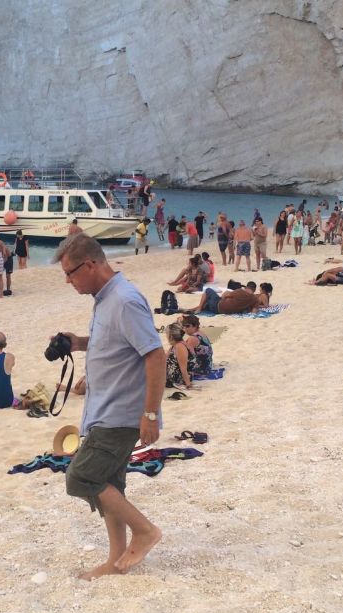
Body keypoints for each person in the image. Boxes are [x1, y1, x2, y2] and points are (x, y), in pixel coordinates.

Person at [54, 233, 165, 580]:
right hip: (103, 409)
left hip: (120, 413)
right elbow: (117, 344)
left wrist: (149, 414)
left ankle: (144, 531)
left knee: (81, 476)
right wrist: (78, 343)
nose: (68, 281)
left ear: (90, 264)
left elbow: (155, 354)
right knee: (109, 483)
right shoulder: (105, 298)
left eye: (70, 273)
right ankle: (116, 558)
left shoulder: (124, 299)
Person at [183, 281, 271, 315]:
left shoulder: (239, 291)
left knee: (208, 291)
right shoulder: (255, 299)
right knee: (207, 304)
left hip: (218, 305)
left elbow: (224, 295)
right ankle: (190, 309)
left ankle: (198, 308)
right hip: (223, 311)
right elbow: (254, 312)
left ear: (247, 287)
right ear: (254, 289)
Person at [164, 324, 194, 389]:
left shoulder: (180, 347)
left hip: (178, 379)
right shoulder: (175, 345)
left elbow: (183, 368)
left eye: (167, 334)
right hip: (172, 375)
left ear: (171, 336)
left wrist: (188, 385)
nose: (166, 336)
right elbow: (165, 358)